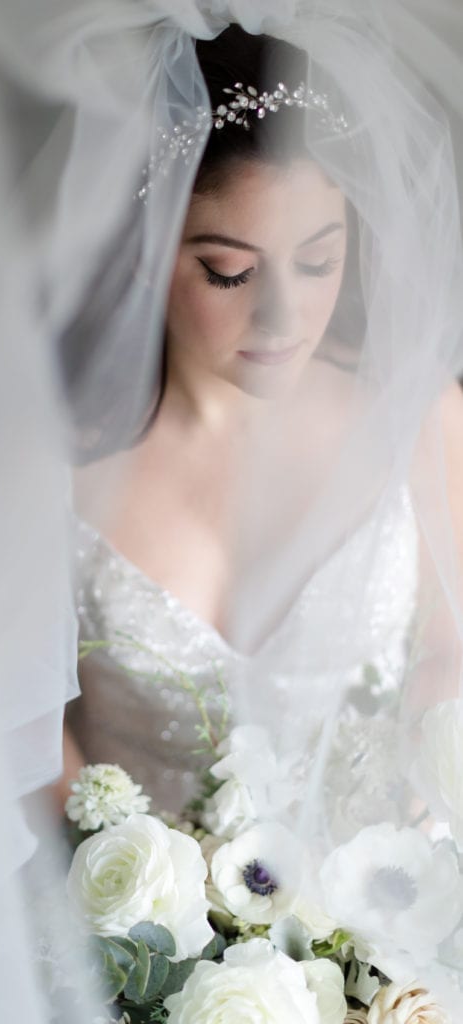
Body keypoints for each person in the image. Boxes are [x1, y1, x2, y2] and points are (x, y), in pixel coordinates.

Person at [63, 20, 463, 832]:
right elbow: (22, 736)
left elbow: (448, 665)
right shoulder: (53, 475)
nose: (283, 314)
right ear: (147, 249)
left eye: (318, 260)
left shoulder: (419, 421)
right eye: (229, 271)